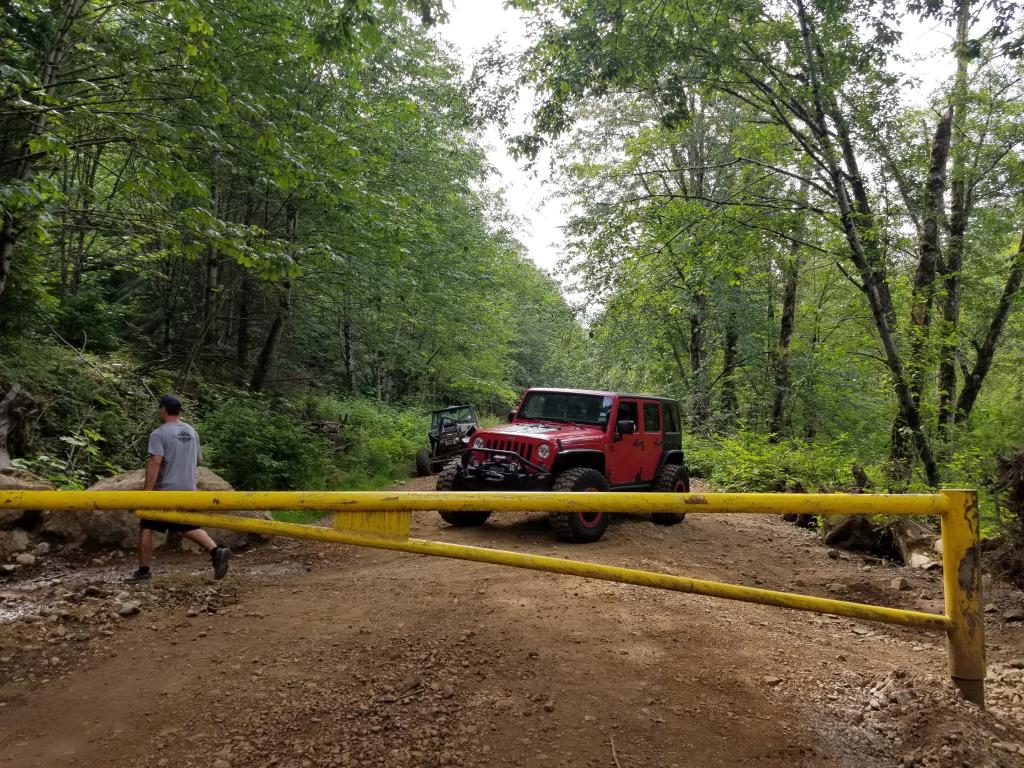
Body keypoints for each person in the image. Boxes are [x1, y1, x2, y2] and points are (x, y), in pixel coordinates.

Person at [124, 396, 231, 584]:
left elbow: (156, 462)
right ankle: (216, 551)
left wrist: (147, 493)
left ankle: (143, 572)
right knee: (186, 525)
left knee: (147, 527)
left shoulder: (159, 433)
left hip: (165, 491)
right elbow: (198, 461)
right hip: (188, 490)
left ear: (163, 410)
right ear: (179, 411)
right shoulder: (192, 432)